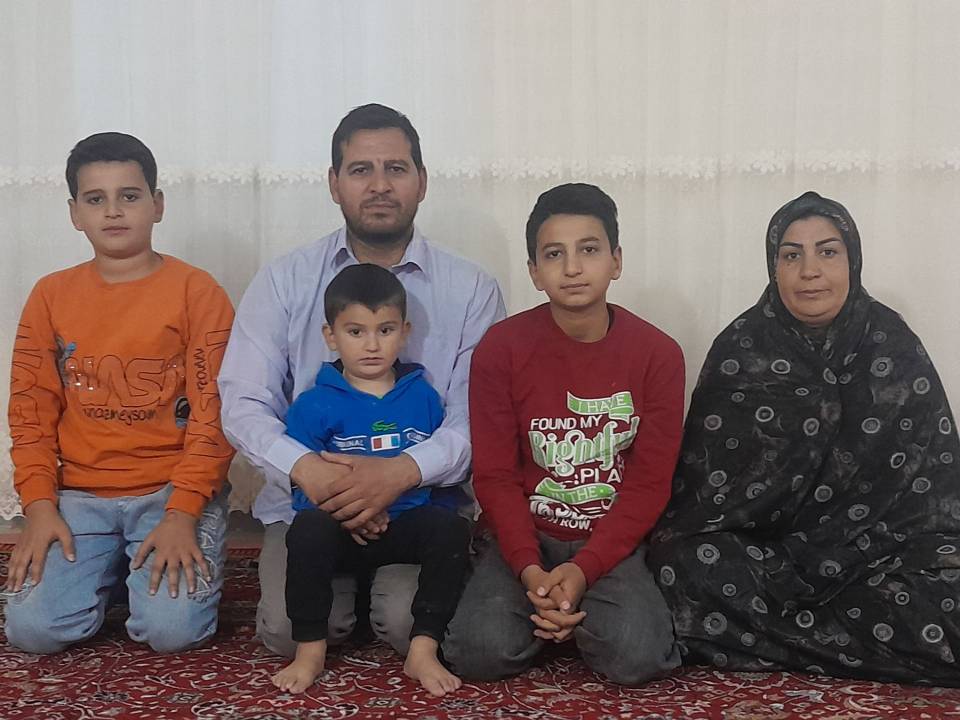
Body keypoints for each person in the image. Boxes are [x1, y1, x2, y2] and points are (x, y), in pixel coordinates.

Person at [218, 103, 504, 659]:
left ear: (422, 181)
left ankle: (386, 591)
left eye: (396, 168)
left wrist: (401, 472)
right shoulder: (283, 281)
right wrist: (311, 471)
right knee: (288, 633)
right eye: (360, 170)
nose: (379, 186)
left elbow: (477, 415)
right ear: (334, 183)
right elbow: (243, 402)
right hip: (310, 506)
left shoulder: (472, 289)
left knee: (408, 626)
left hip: (420, 504)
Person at [649, 191, 960, 686]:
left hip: (878, 554)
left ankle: (758, 642)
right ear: (774, 268)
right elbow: (702, 502)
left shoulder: (894, 344)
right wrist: (796, 552)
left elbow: (936, 494)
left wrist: (846, 551)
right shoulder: (741, 347)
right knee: (679, 564)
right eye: (792, 255)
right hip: (774, 558)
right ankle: (860, 649)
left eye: (827, 252)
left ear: (852, 261)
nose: (810, 271)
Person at [443, 183, 683, 685]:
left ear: (616, 261)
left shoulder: (658, 354)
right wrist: (530, 570)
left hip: (610, 538)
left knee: (638, 656)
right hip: (525, 536)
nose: (572, 268)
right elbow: (495, 476)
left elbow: (649, 484)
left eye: (589, 250)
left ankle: (564, 615)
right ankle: (555, 612)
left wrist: (584, 569)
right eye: (554, 254)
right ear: (534, 271)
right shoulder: (501, 348)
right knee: (477, 652)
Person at [4, 132, 235, 653]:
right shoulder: (50, 294)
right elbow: (30, 410)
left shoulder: (197, 291)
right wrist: (39, 507)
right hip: (79, 496)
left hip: (170, 491)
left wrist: (183, 511)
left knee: (172, 632)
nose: (113, 211)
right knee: (33, 631)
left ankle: (145, 568)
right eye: (95, 198)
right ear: (74, 213)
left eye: (129, 196)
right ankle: (110, 569)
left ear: (157, 205)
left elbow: (214, 411)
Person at [270, 263, 469, 696]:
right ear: (331, 336)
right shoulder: (313, 404)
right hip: (342, 528)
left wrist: (430, 517)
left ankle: (424, 648)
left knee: (452, 529)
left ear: (405, 332)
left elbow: (441, 481)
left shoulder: (423, 397)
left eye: (385, 330)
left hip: (402, 525)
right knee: (307, 530)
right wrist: (350, 512)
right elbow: (302, 486)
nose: (372, 345)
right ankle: (310, 649)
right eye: (356, 332)